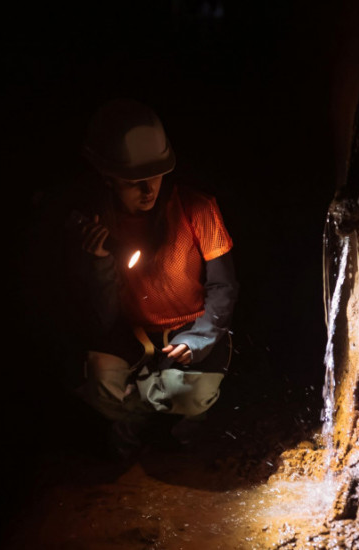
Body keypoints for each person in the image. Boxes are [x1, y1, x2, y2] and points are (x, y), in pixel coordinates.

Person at [71, 98, 239, 459]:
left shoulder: (196, 208)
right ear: (109, 179)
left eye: (156, 176)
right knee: (99, 383)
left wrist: (201, 337)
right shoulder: (99, 224)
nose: (148, 191)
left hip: (189, 330)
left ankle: (183, 425)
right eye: (135, 182)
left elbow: (223, 286)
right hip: (134, 336)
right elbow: (101, 318)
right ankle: (140, 420)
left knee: (189, 394)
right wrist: (99, 263)